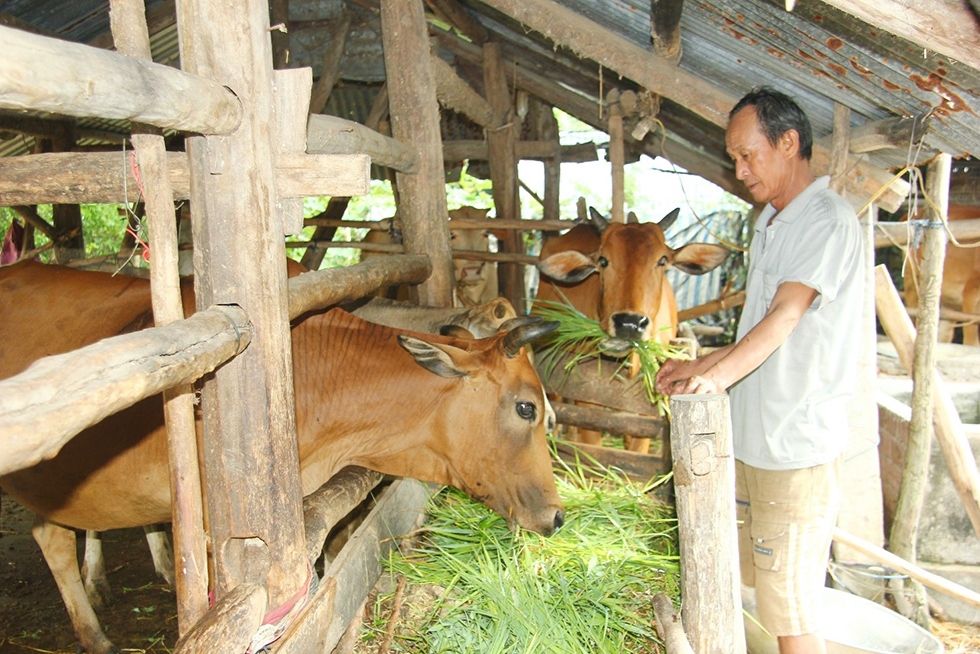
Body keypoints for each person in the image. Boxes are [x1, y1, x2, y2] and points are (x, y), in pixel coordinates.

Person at [655, 87, 865, 654]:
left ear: (789, 142)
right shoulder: (771, 222)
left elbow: (785, 315)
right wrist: (699, 364)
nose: (740, 169)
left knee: (790, 609)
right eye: (734, 158)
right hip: (754, 439)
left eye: (748, 155)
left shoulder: (826, 219)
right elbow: (756, 325)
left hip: (793, 446)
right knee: (755, 592)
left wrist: (713, 381)